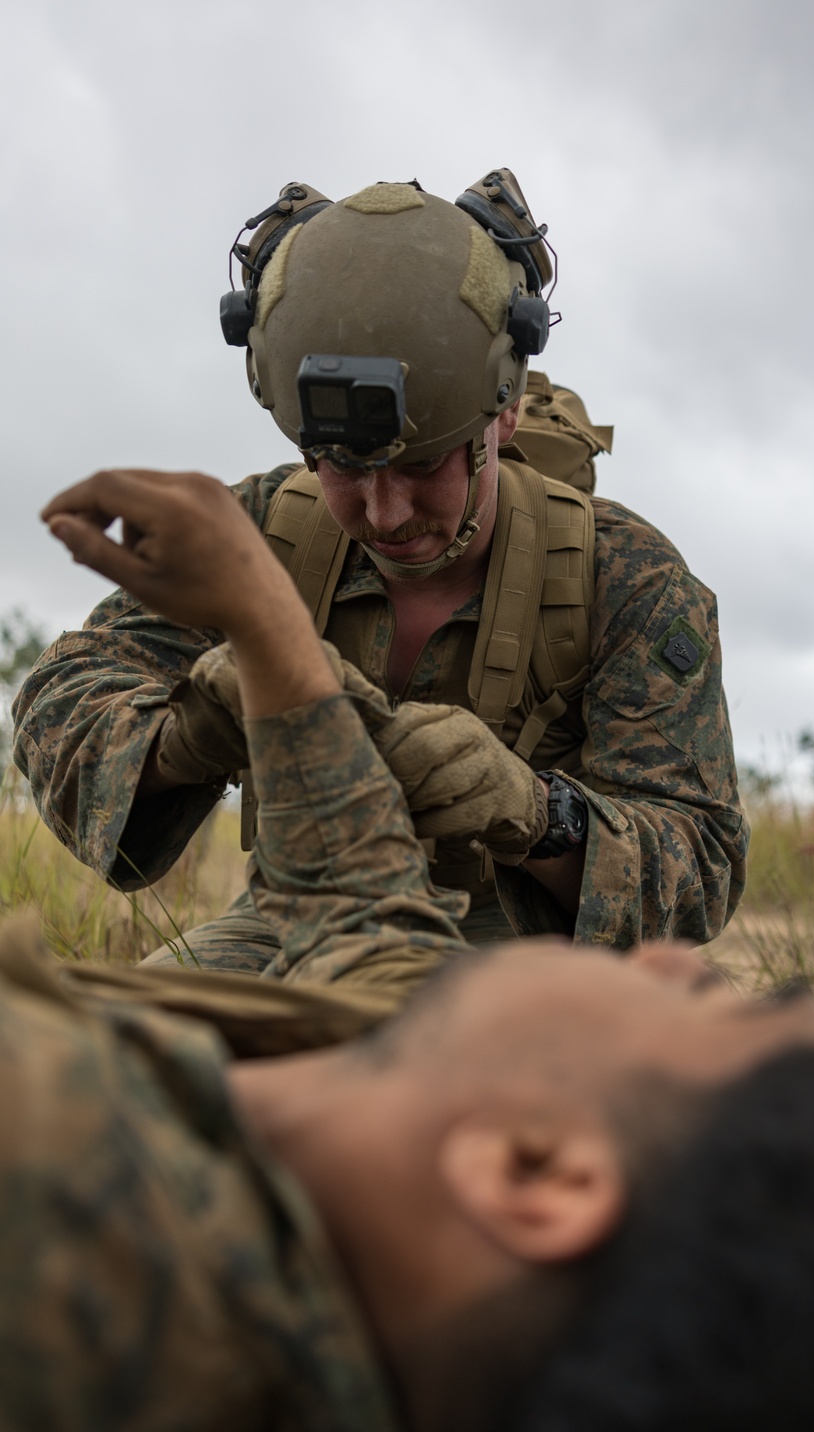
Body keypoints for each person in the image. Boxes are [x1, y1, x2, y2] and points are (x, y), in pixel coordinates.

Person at [6, 467, 814, 1432]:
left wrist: (539, 811)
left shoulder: (55, 1188)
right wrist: (268, 631)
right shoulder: (407, 1199)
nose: (667, 962)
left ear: (537, 1171)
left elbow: (692, 862)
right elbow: (359, 905)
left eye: (708, 1001)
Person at [13, 169, 748, 968]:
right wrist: (185, 737)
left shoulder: (625, 579)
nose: (385, 510)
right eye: (340, 465)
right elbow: (61, 696)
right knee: (124, 1063)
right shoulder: (257, 533)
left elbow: (700, 861)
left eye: (424, 464)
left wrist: (540, 815)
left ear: (503, 412)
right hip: (295, 919)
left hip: (532, 952)